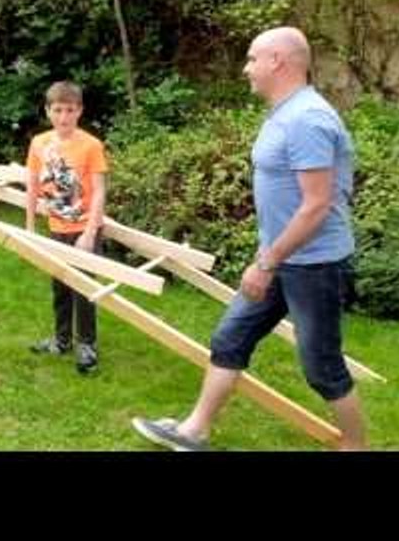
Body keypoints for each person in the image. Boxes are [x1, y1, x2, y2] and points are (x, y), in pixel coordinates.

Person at [132, 27, 367, 451]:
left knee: (322, 368)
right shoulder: (285, 112)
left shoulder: (307, 119)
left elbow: (316, 205)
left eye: (252, 58)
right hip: (280, 258)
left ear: (278, 60)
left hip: (313, 264)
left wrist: (267, 262)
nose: (246, 68)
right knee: (230, 339)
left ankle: (356, 446)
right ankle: (194, 431)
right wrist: (268, 255)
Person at [25, 80, 108, 373]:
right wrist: (30, 226)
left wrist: (89, 233)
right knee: (59, 285)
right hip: (56, 226)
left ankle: (87, 345)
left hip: (84, 228)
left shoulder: (91, 145)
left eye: (69, 110)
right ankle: (61, 341)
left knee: (83, 288)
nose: (63, 117)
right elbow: (33, 184)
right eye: (57, 110)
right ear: (48, 111)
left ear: (80, 111)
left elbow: (99, 190)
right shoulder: (39, 143)